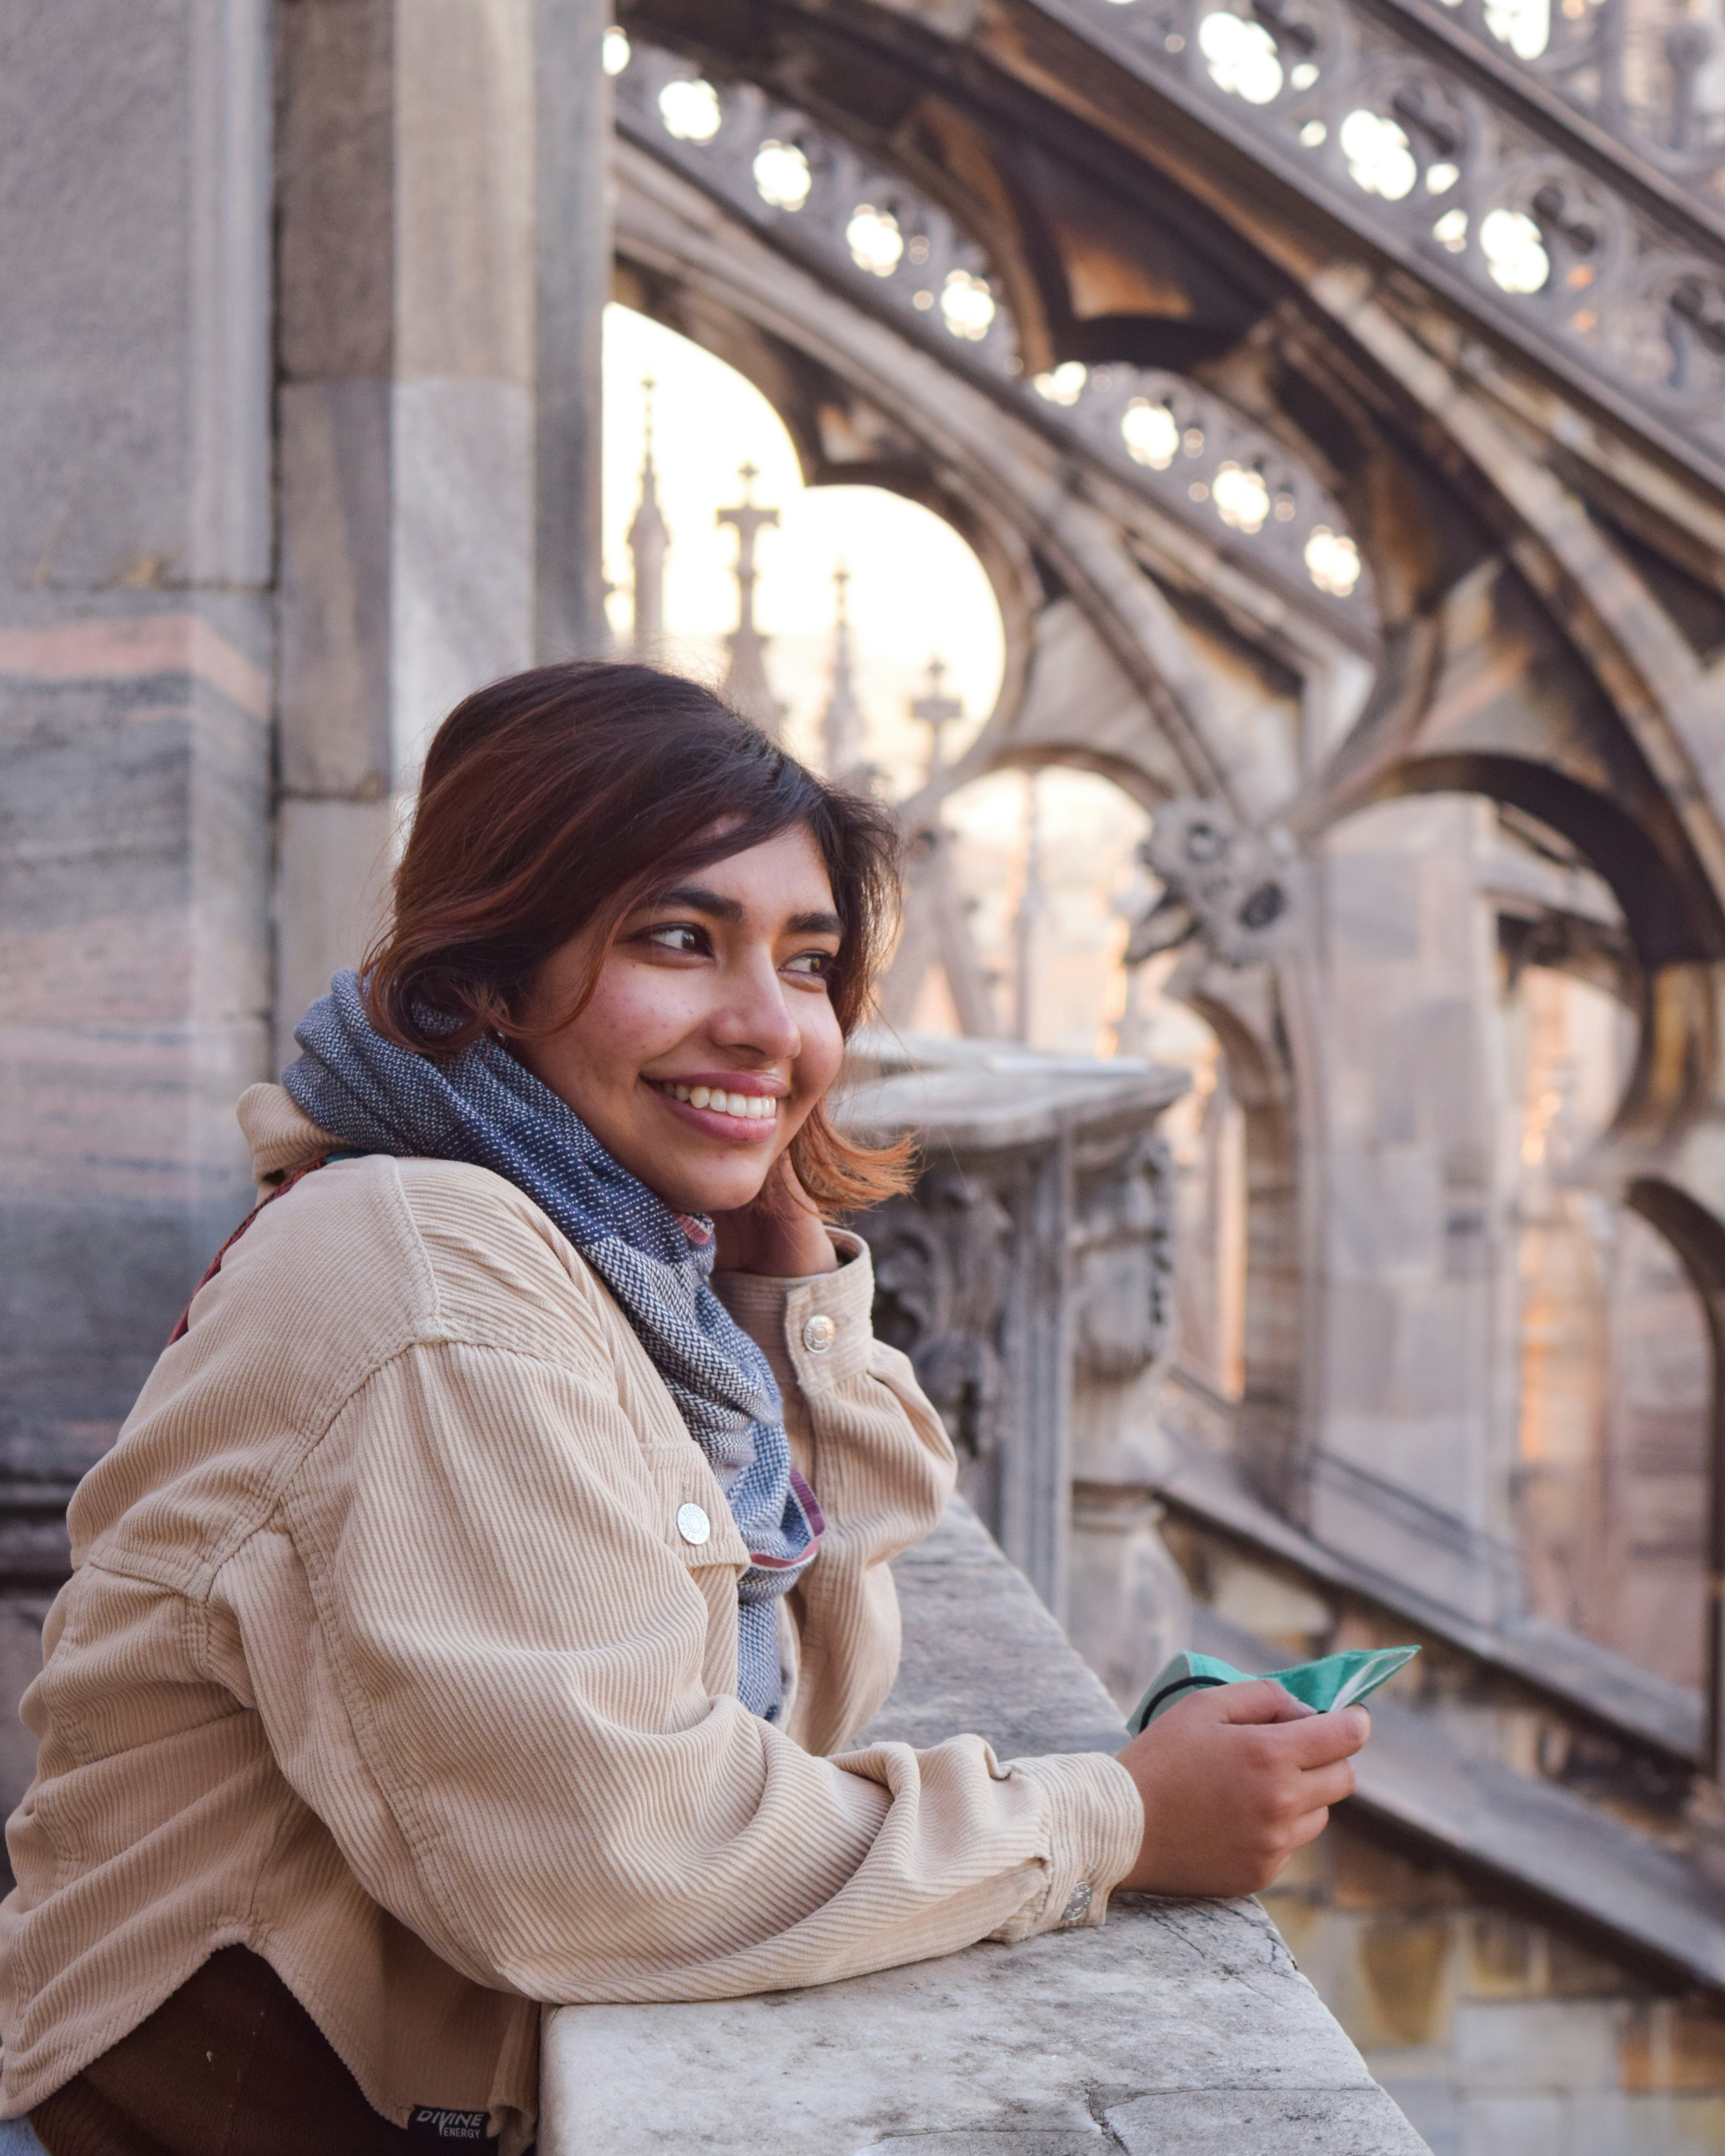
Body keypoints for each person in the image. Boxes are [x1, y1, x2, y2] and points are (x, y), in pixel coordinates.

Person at [0, 664, 1369, 2156]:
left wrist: (786, 1319)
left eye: (804, 963)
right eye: (679, 939)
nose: (766, 1025)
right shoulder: (431, 1274)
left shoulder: (599, 1258)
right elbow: (617, 1862)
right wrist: (1111, 1820)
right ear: (489, 977)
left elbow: (792, 1707)